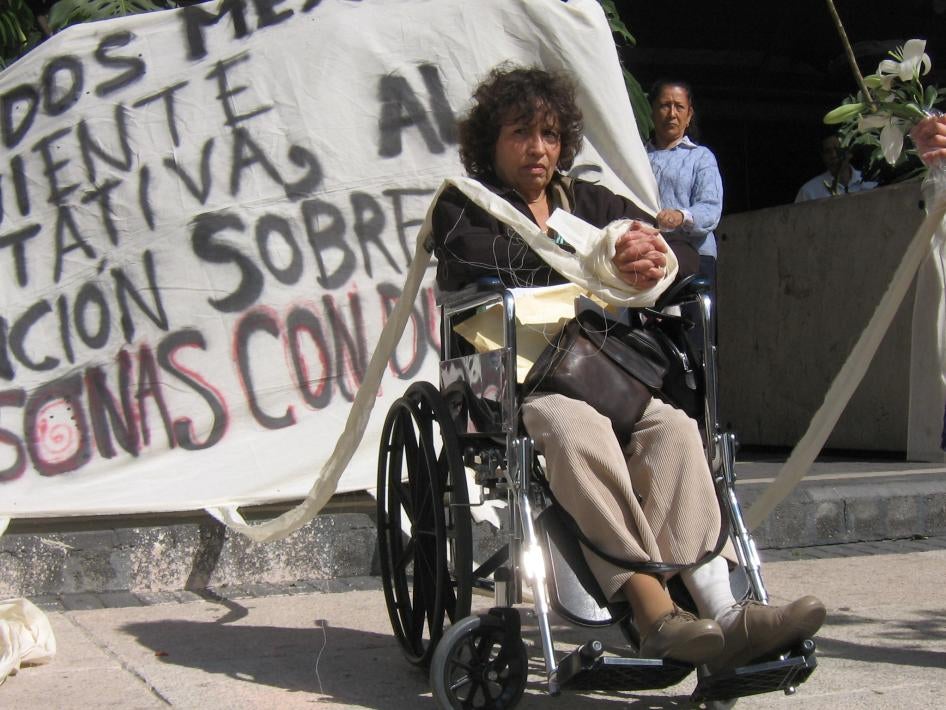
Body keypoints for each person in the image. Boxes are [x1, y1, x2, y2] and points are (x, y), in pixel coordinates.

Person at [432, 64, 825, 672]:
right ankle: (651, 612)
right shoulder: (467, 205)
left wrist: (652, 258)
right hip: (514, 384)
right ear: (491, 141)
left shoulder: (586, 202)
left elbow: (682, 250)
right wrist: (598, 256)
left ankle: (723, 612)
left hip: (601, 374)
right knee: (572, 429)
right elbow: (471, 254)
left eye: (551, 134)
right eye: (520, 133)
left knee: (672, 430)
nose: (539, 149)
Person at [646, 79, 723, 301]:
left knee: (693, 331)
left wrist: (681, 216)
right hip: (649, 257)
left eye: (679, 107)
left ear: (689, 115)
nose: (671, 113)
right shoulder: (638, 158)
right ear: (652, 112)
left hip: (695, 258)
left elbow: (710, 208)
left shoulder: (701, 157)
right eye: (664, 105)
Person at [795, 134, 877, 202]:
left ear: (850, 152)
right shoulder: (809, 192)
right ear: (823, 157)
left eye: (838, 149)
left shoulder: (871, 183)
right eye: (828, 151)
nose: (833, 155)